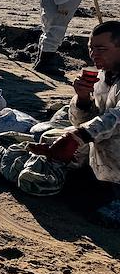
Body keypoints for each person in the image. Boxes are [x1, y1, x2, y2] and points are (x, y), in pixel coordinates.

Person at [31, 21, 120, 224]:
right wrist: (82, 99)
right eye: (91, 48)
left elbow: (115, 119)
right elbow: (87, 121)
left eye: (102, 49)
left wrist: (77, 137)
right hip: (106, 150)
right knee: (48, 137)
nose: (94, 54)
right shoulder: (102, 77)